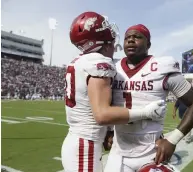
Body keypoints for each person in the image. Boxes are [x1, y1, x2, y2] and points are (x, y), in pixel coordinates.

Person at [61, 12, 167, 172]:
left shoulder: (79, 61)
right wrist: (146, 113)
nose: (111, 33)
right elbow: (102, 115)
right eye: (105, 28)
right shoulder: (98, 62)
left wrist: (109, 131)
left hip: (78, 141)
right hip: (85, 146)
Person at [104, 24, 193, 172]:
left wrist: (172, 140)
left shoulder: (161, 67)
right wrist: (109, 130)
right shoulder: (113, 68)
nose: (131, 40)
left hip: (152, 153)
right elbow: (106, 104)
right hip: (119, 153)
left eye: (137, 37)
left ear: (148, 44)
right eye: (127, 38)